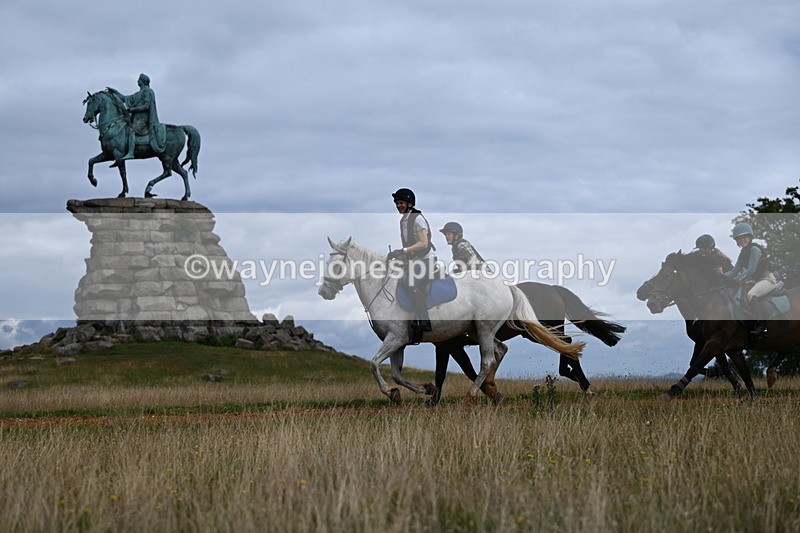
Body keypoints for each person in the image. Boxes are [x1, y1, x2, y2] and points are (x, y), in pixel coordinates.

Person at [387, 188, 436, 338]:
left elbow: (423, 243)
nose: (398, 206)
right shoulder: (404, 219)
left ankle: (424, 321)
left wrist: (403, 251)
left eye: (401, 203)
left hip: (427, 261)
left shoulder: (417, 218)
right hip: (415, 261)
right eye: (396, 203)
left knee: (409, 282)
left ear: (409, 203)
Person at [723, 222, 778, 337]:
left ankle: (762, 327)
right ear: (737, 240)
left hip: (768, 279)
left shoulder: (754, 249)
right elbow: (734, 271)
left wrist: (736, 280)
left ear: (750, 237)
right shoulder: (743, 253)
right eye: (739, 238)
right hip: (758, 281)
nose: (742, 240)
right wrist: (720, 278)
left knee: (751, 294)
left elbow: (751, 271)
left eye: (745, 237)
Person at [107, 73, 166, 160]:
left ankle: (131, 153)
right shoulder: (139, 93)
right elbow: (125, 98)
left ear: (143, 82)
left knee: (131, 130)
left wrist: (132, 109)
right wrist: (115, 92)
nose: (137, 81)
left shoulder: (147, 91)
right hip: (136, 118)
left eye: (139, 80)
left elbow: (147, 106)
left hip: (144, 119)